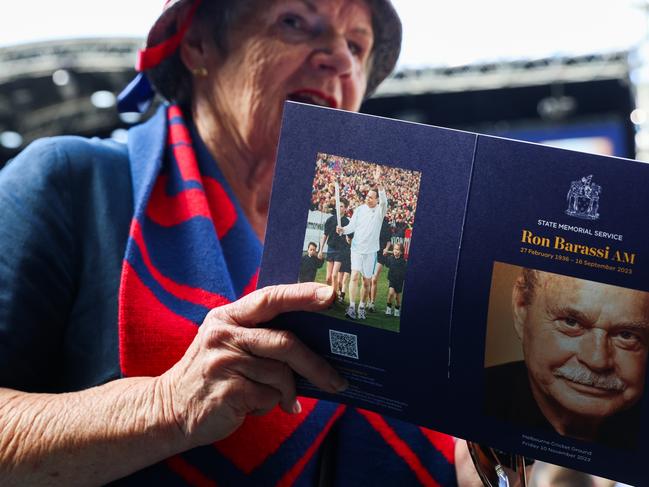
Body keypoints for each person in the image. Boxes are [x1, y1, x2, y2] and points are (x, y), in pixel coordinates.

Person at [0, 0, 470, 485]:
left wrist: (492, 461)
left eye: (356, 44)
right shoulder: (69, 182)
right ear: (198, 43)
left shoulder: (382, 252)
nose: (341, 58)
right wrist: (168, 404)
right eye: (294, 22)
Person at [484, 267, 649, 449]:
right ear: (522, 309)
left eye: (626, 335)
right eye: (571, 322)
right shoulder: (471, 400)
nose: (597, 360)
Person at [337, 166, 387, 320]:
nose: (367, 198)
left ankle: (362, 307)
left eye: (371, 197)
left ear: (377, 199)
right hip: (357, 248)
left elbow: (384, 200)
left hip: (371, 252)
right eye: (367, 196)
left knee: (366, 282)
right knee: (354, 277)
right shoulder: (359, 209)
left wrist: (379, 183)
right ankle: (352, 307)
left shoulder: (380, 211)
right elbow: (351, 227)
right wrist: (342, 230)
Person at [318, 198, 350, 298]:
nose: (339, 208)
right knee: (328, 278)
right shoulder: (330, 219)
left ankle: (333, 298)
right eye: (338, 206)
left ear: (345, 209)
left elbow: (349, 239)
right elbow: (325, 235)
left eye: (341, 206)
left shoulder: (347, 222)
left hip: (341, 251)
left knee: (334, 275)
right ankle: (329, 295)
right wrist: (320, 250)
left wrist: (344, 232)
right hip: (330, 249)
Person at [368, 215, 392, 312]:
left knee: (374, 279)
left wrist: (386, 248)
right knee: (368, 279)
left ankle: (372, 303)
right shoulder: (371, 223)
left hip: (381, 254)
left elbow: (389, 241)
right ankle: (369, 301)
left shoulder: (386, 225)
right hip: (370, 253)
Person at [384, 242, 407, 317]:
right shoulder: (390, 258)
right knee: (390, 293)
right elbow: (387, 265)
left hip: (400, 281)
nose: (395, 251)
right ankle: (388, 308)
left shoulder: (403, 261)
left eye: (397, 249)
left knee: (397, 297)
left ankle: (397, 309)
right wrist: (385, 255)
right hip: (392, 279)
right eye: (394, 249)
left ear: (401, 252)